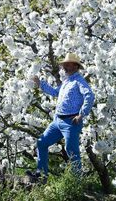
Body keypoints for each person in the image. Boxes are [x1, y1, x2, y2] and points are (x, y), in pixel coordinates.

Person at [27, 53, 95, 181]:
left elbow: (89, 96)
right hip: (58, 120)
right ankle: (41, 175)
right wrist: (40, 83)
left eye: (68, 64)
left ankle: (76, 182)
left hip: (71, 121)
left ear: (75, 66)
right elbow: (54, 92)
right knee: (42, 142)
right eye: (64, 65)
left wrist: (82, 114)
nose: (65, 67)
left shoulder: (79, 81)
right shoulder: (67, 81)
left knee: (71, 150)